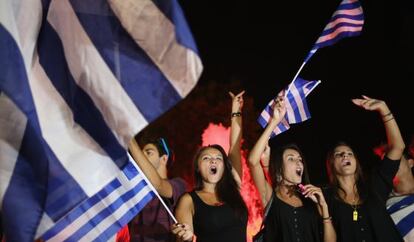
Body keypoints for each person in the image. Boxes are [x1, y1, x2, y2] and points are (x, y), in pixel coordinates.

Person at [248, 95, 336, 242]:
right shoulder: (270, 197)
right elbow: (252, 160)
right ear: (279, 168)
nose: (299, 163)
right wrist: (274, 121)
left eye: (300, 159)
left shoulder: (311, 200)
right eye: (291, 159)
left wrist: (324, 207)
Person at [324, 95, 405, 242]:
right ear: (331, 164)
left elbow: (398, 147)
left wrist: (383, 109)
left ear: (356, 162)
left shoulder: (374, 185)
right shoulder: (326, 199)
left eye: (350, 153)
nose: (345, 156)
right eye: (339, 154)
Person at [171, 91, 248, 242]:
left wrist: (236, 111)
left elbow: (234, 147)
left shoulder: (234, 188)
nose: (213, 161)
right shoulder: (188, 200)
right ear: (198, 167)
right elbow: (184, 236)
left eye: (218, 158)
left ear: (225, 167)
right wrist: (184, 237)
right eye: (206, 158)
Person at [128, 135, 187, 242]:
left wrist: (130, 141)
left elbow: (158, 185)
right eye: (141, 153)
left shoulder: (178, 184)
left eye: (148, 152)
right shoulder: (136, 188)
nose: (141, 157)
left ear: (164, 158)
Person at [386, 138, 414, 241]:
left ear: (410, 163)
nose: (390, 163)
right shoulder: (386, 207)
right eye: (386, 159)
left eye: (396, 157)